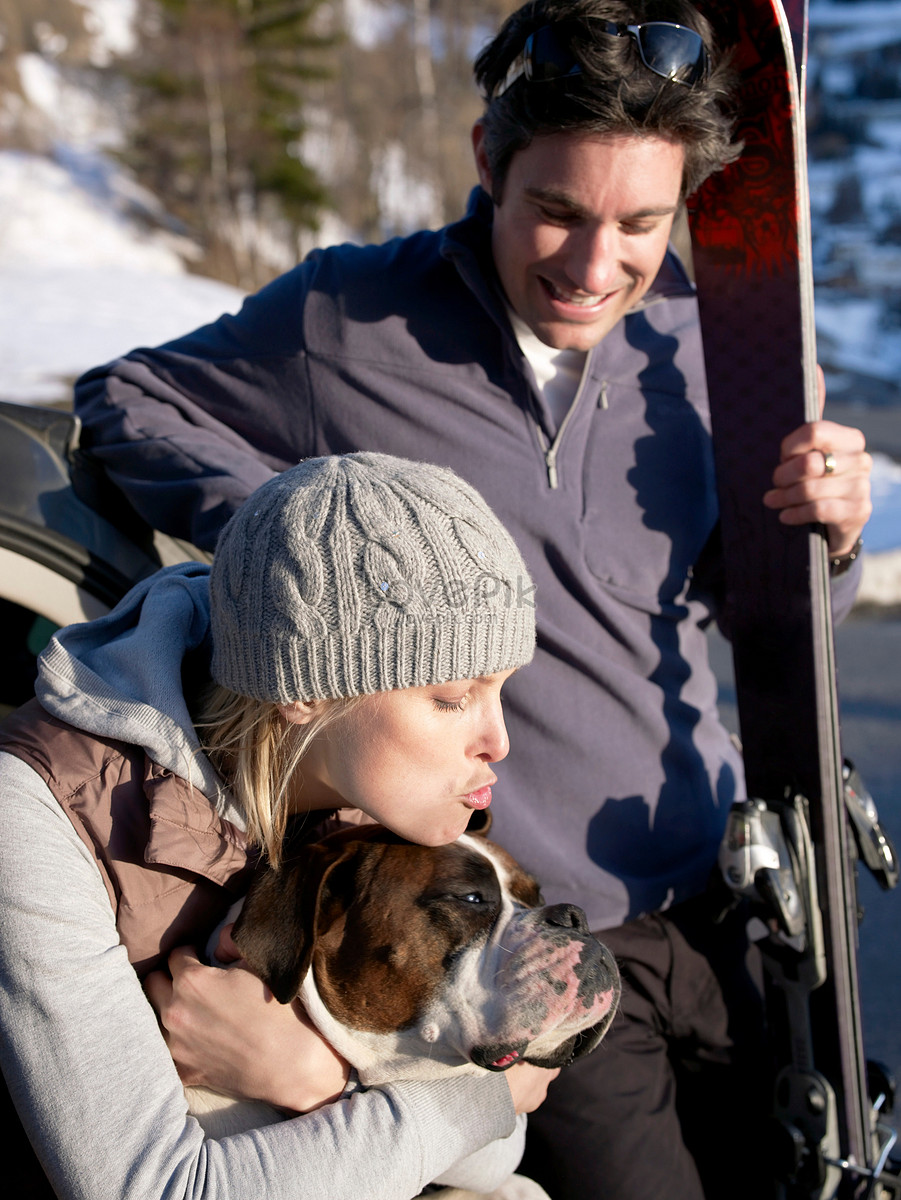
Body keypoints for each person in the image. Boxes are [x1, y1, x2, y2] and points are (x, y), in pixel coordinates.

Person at [69, 0, 874, 1196]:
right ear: (489, 163)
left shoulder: (713, 356)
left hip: (726, 900)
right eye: (556, 212)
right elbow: (125, 398)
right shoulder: (348, 319)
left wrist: (831, 541)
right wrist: (301, 549)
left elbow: (750, 615)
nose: (595, 266)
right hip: (522, 932)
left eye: (641, 224)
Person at [0, 451, 553, 1200]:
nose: (500, 742)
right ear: (305, 691)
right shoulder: (35, 812)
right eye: (453, 696)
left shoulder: (385, 795)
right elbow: (154, 1191)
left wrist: (315, 1074)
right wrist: (472, 1098)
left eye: (502, 690)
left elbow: (496, 1154)